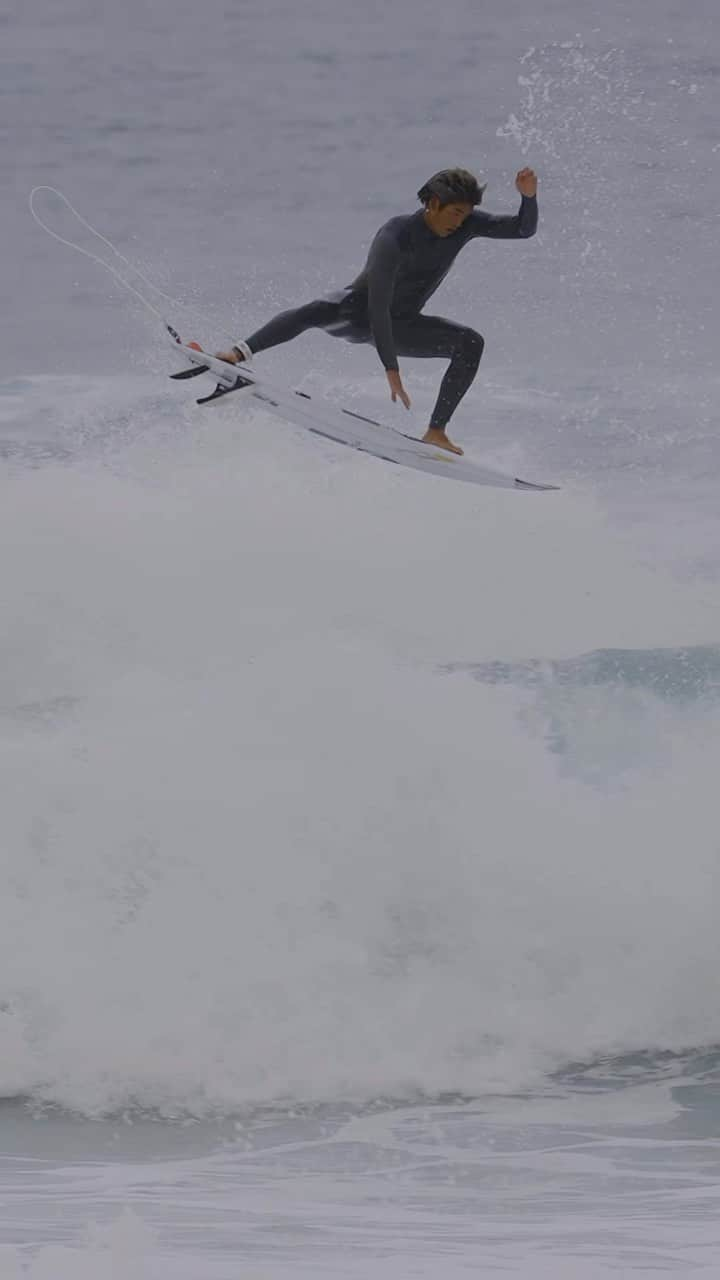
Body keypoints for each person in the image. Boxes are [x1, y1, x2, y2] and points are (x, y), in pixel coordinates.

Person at [217, 166, 538, 454]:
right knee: (313, 312)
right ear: (433, 203)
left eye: (466, 214)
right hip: (358, 314)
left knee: (470, 343)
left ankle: (436, 431)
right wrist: (391, 369)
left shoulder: (466, 225)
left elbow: (523, 229)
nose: (460, 222)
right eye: (455, 213)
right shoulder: (394, 236)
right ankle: (237, 353)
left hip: (403, 326)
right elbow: (378, 305)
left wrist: (528, 198)